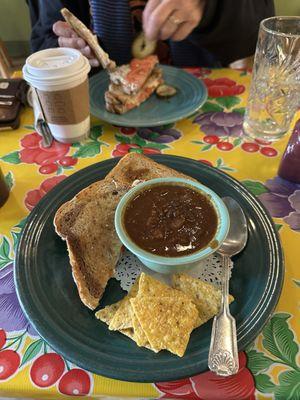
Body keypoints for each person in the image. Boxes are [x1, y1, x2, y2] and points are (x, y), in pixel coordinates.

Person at [26, 0, 275, 68]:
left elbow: (265, 38)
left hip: (202, 106)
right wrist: (68, 52)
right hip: (98, 112)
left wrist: (210, 8)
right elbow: (44, 41)